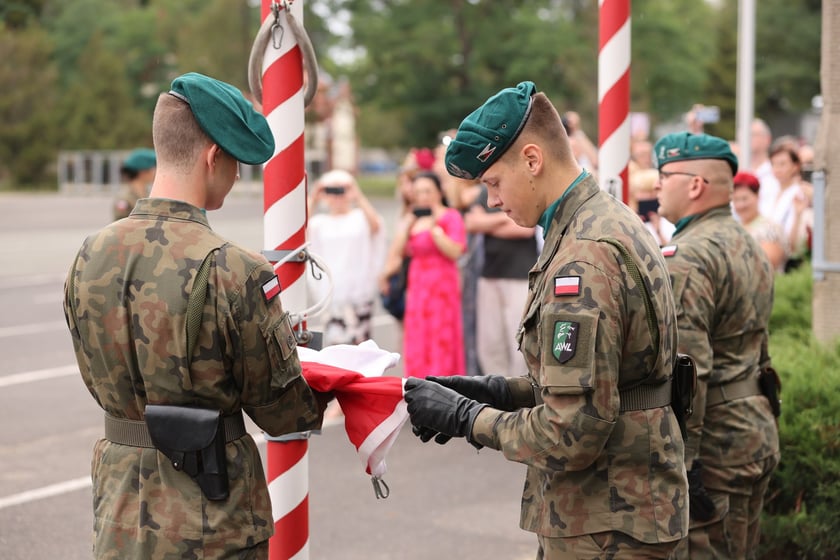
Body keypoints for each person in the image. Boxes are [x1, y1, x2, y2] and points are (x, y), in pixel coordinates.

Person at [404, 81, 687, 558]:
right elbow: (604, 381)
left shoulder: (583, 257)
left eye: (494, 182)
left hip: (606, 521)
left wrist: (468, 419)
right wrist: (499, 391)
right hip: (622, 509)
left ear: (532, 160)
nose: (491, 200)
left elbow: (570, 432)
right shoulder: (601, 221)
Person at [63, 72, 327, 559]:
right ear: (213, 157)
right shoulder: (237, 269)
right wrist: (326, 376)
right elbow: (286, 412)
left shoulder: (89, 253)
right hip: (211, 518)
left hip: (119, 510)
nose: (238, 176)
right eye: (237, 163)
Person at [652, 132, 780, 559]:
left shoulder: (688, 256)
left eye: (664, 174)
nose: (656, 184)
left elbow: (689, 371)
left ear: (695, 185)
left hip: (717, 447)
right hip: (754, 427)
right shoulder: (747, 243)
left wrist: (684, 462)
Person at [394, 170, 466, 378]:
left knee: (441, 335)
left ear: (438, 192)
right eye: (418, 192)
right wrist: (406, 227)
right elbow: (398, 252)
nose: (423, 196)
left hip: (442, 285)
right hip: (418, 286)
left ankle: (442, 383)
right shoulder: (412, 219)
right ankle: (418, 382)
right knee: (418, 335)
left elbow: (456, 251)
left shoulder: (450, 216)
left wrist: (435, 229)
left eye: (427, 191)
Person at [464, 183, 536, 377]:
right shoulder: (484, 192)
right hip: (489, 275)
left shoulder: (522, 190)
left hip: (520, 275)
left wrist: (486, 224)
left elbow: (525, 229)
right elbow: (471, 224)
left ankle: (520, 388)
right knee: (490, 342)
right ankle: (497, 388)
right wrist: (505, 219)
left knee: (519, 340)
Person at [307, 168, 385, 346]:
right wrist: (314, 197)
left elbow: (376, 227)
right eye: (331, 191)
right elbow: (300, 230)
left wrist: (357, 195)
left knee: (361, 343)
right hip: (333, 291)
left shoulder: (360, 218)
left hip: (359, 290)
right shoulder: (318, 223)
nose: (337, 196)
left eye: (340, 190)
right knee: (336, 343)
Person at [731, 170, 788, 272]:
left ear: (757, 196)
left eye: (745, 199)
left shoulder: (770, 228)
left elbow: (767, 264)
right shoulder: (732, 228)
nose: (740, 205)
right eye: (736, 200)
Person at [113, 148, 156, 220]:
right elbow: (120, 223)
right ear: (143, 171)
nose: (155, 172)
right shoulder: (125, 198)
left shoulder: (147, 193)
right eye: (153, 168)